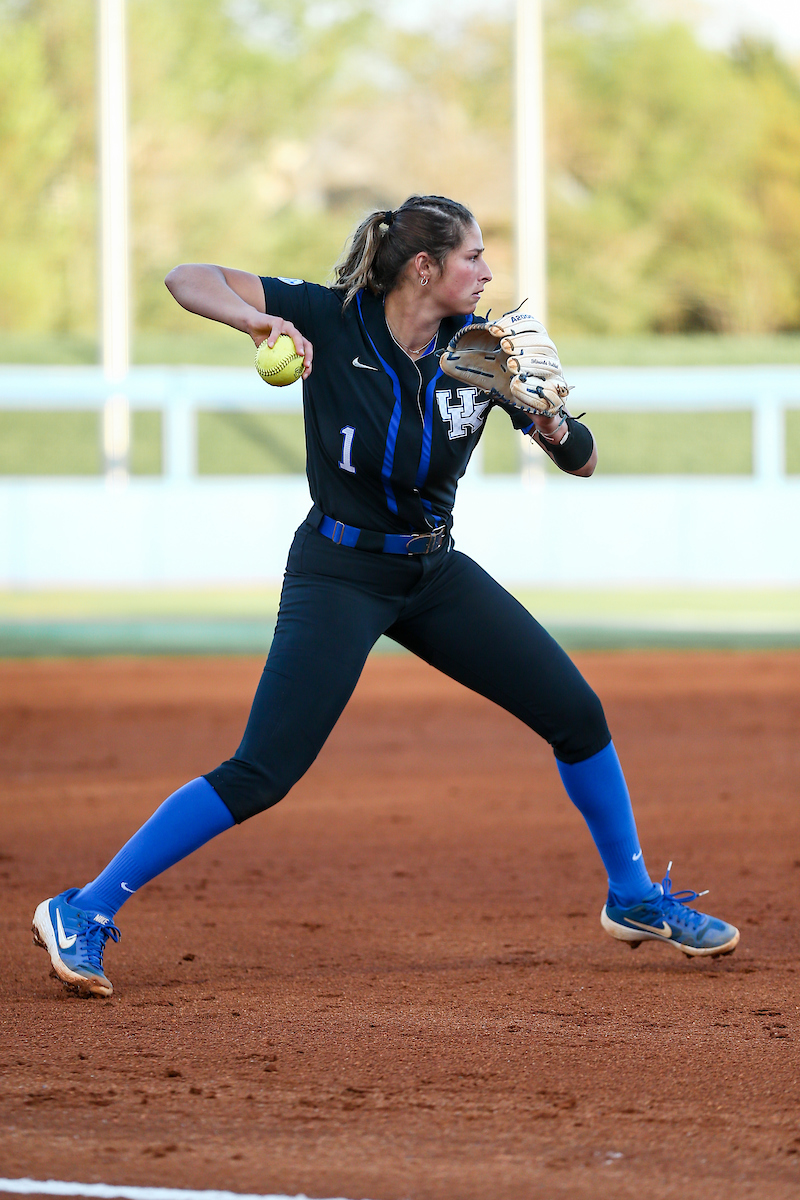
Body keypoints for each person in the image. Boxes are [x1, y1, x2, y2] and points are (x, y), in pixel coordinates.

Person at [32, 195, 739, 998]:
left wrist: (544, 419)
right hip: (339, 572)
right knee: (264, 771)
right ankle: (82, 909)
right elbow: (185, 277)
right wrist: (257, 324)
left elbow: (582, 459)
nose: (488, 271)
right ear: (424, 267)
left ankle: (635, 898)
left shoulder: (482, 351)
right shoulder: (331, 318)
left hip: (432, 574)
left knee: (577, 716)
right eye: (473, 256)